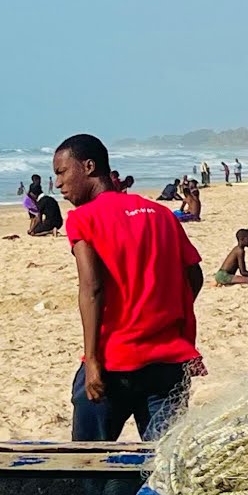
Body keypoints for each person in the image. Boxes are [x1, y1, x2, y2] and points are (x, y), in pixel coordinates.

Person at [53, 133, 203, 442]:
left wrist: (93, 361)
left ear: (89, 167)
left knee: (88, 465)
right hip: (168, 361)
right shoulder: (161, 214)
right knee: (163, 467)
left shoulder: (83, 218)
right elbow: (195, 276)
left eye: (61, 172)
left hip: (114, 360)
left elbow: (92, 289)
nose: (58, 183)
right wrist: (167, 317)